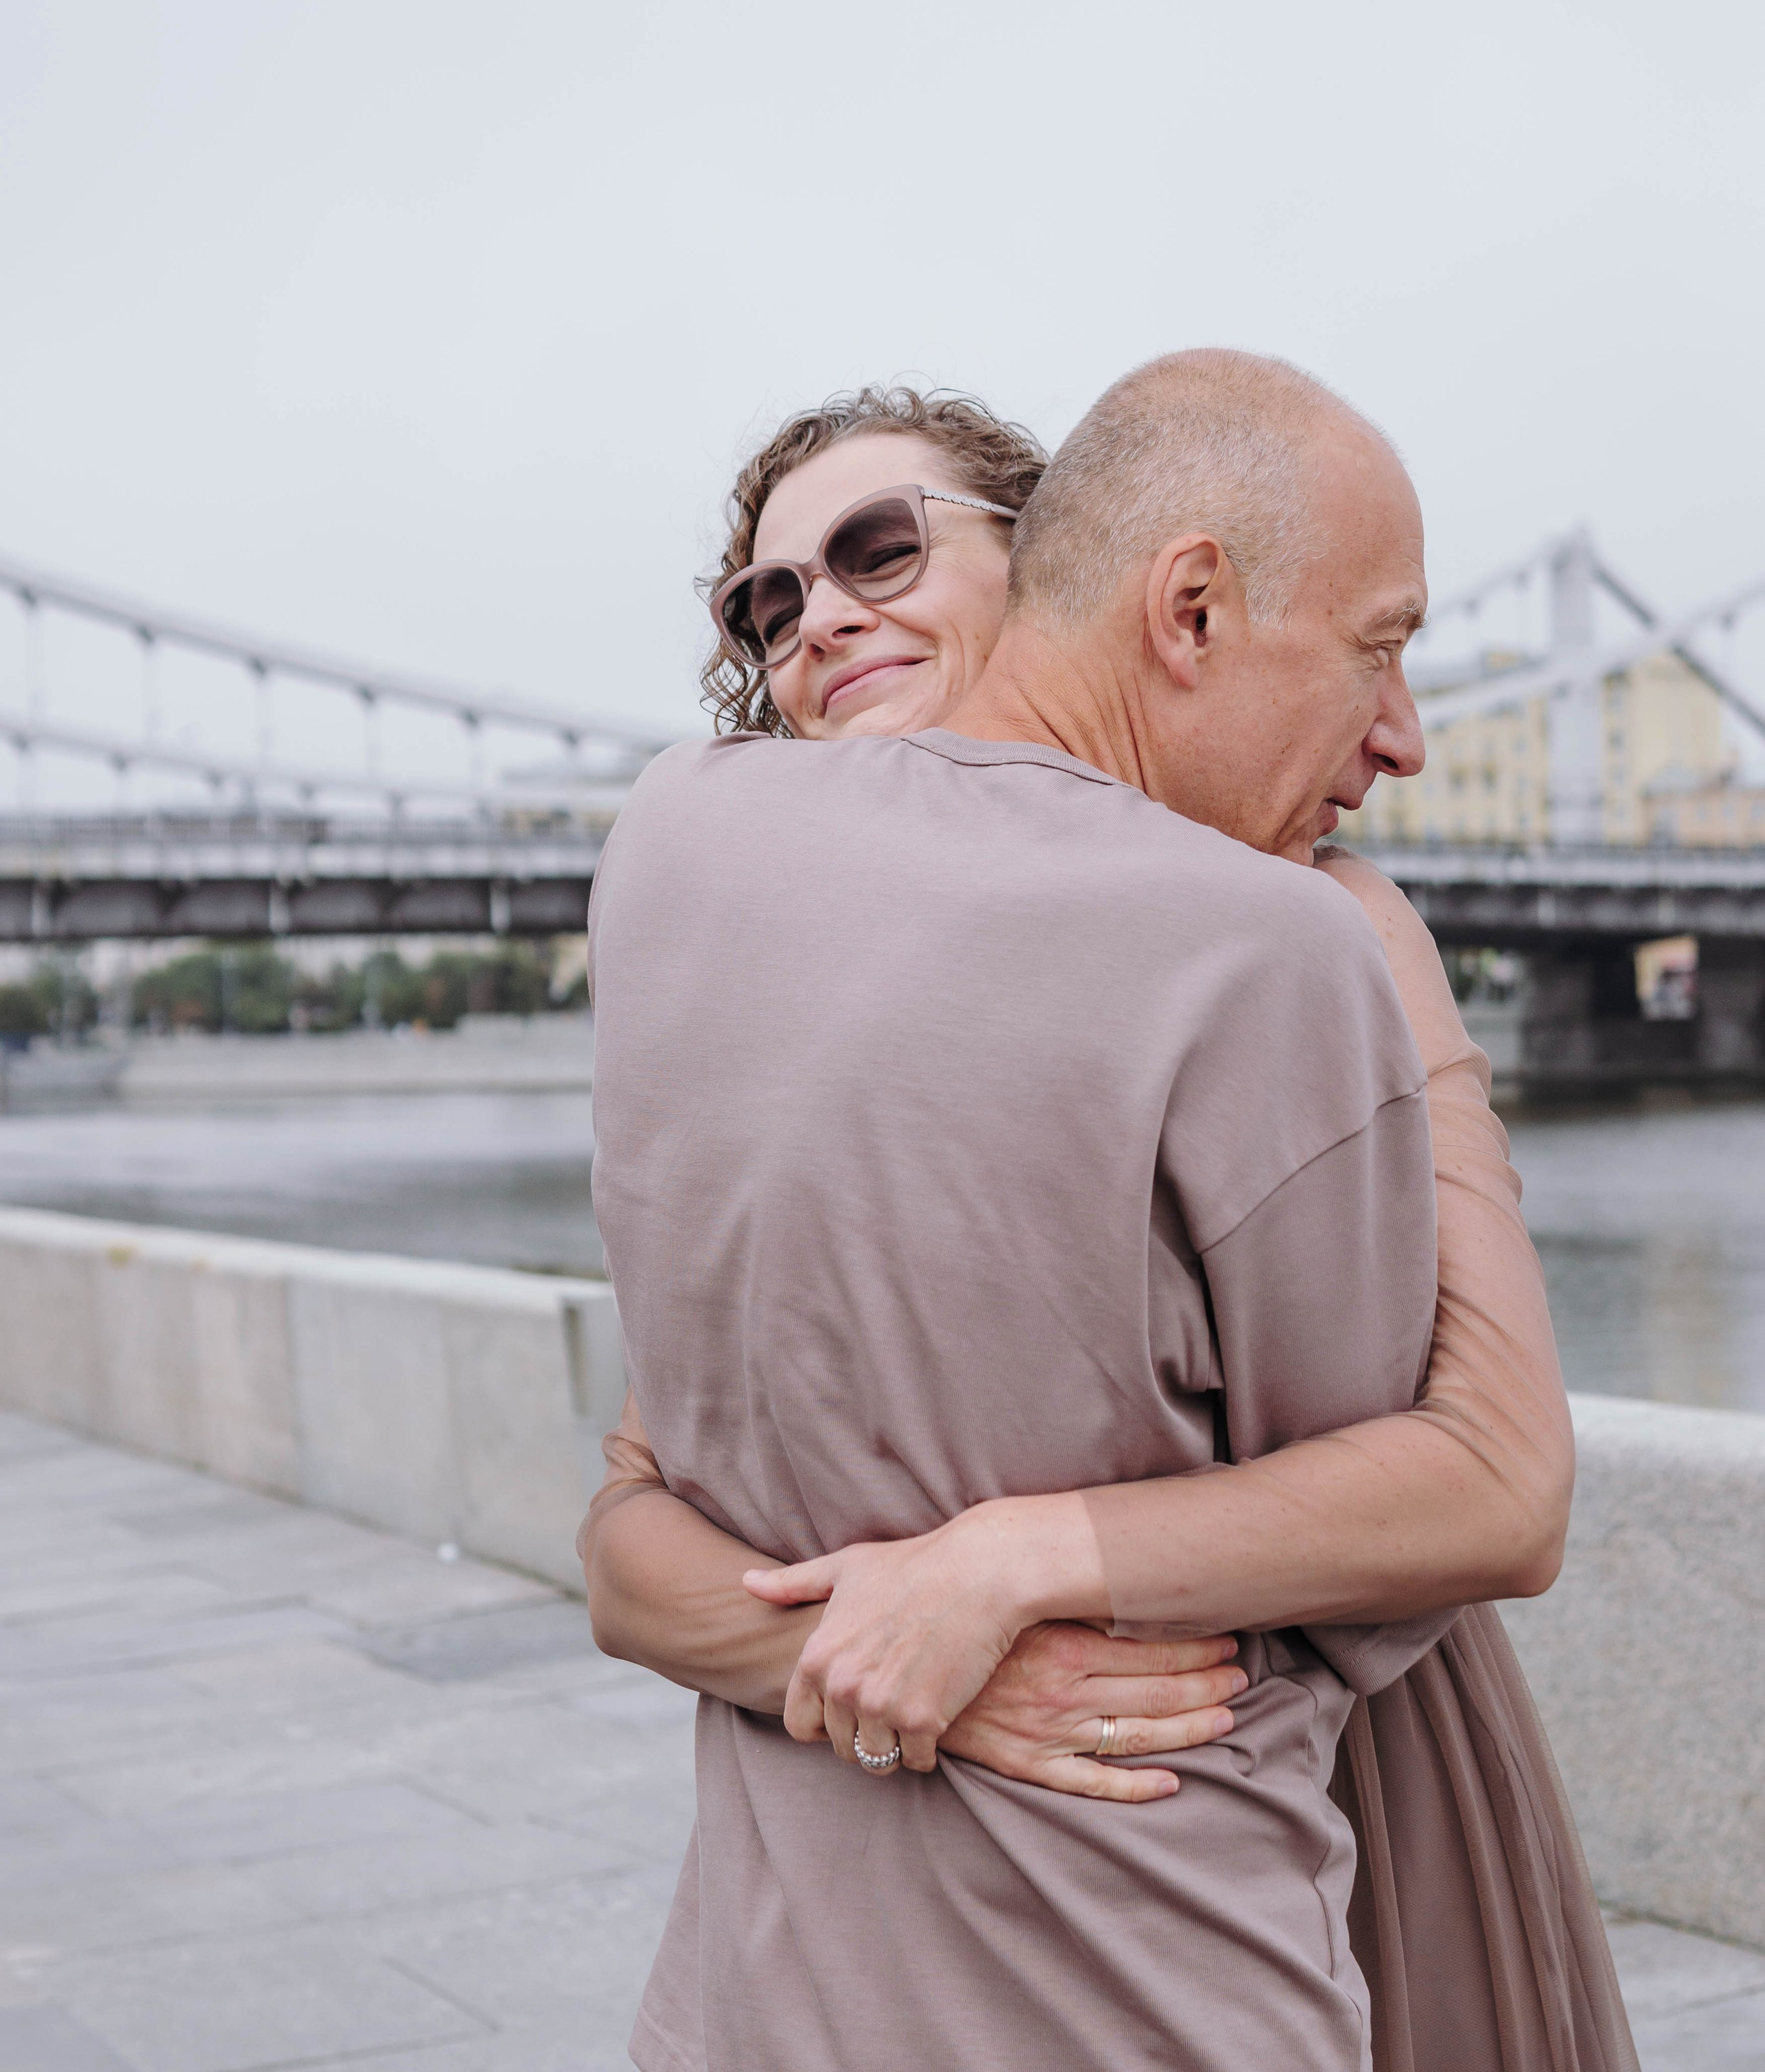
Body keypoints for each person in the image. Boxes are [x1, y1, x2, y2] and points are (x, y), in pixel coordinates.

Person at [585, 359, 1635, 2072]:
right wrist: (945, 1648)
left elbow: (1480, 1482)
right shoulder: (778, 922)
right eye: (767, 604)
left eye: (877, 551)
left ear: (1060, 559)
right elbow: (633, 1534)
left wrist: (991, 1577)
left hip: (1313, 1775)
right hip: (1130, 1880)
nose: (822, 626)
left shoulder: (1293, 925)